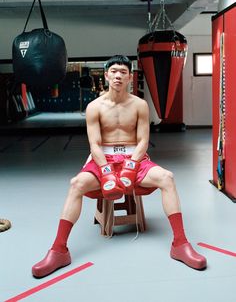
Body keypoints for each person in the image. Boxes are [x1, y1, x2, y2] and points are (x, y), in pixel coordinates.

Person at [32, 55, 207, 278]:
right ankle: (59, 250)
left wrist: (132, 166)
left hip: (134, 158)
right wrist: (105, 171)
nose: (118, 75)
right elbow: (94, 143)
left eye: (123, 72)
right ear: (106, 75)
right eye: (114, 71)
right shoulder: (94, 107)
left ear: (129, 77)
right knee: (76, 184)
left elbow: (143, 140)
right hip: (103, 160)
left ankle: (180, 244)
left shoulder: (139, 105)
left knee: (167, 178)